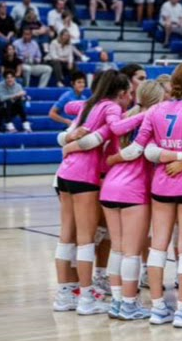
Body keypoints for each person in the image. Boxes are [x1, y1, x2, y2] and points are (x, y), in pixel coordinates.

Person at [115, 64, 182, 328]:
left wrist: (162, 152)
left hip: (161, 185)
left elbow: (141, 147)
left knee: (158, 246)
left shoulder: (155, 110)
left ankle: (157, 308)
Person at [63, 80, 164, 320]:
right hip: (133, 190)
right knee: (131, 252)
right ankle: (129, 304)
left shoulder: (121, 119)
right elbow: (143, 153)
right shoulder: (150, 122)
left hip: (109, 189)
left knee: (118, 250)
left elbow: (103, 149)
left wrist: (67, 146)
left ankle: (118, 303)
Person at [55, 70, 131, 315]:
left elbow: (68, 107)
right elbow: (116, 129)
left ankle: (64, 294)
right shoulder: (111, 107)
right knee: (86, 239)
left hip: (64, 172)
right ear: (120, 93)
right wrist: (144, 114)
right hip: (84, 175)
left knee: (66, 235)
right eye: (128, 93)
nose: (130, 97)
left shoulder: (88, 104)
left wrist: (67, 139)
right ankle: (86, 298)